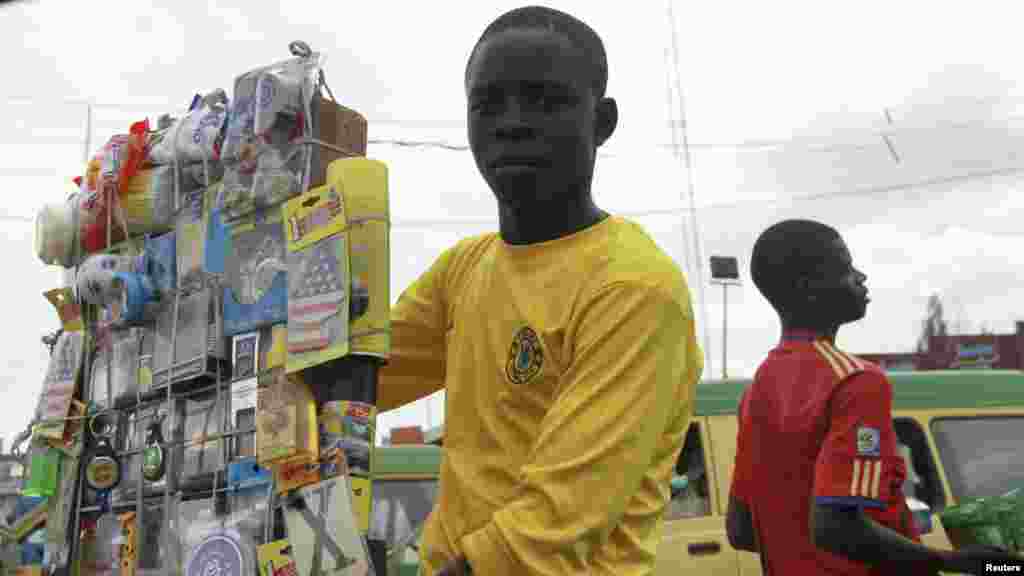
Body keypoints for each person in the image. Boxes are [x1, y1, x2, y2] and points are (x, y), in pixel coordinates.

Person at [376, 5, 704, 575]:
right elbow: (358, 374)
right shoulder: (466, 267)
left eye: (545, 101)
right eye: (488, 104)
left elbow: (551, 526)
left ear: (602, 121)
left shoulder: (633, 288)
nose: (512, 122)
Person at [726, 219, 1021, 575]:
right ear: (808, 287)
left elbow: (741, 530)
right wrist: (951, 561)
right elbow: (836, 527)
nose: (861, 277)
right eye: (845, 268)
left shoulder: (755, 391)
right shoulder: (856, 382)